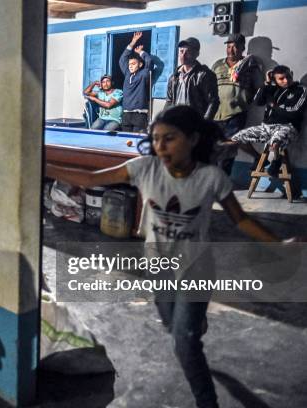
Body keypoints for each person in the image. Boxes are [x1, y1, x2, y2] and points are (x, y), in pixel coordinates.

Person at [47, 105, 295, 408]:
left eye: (170, 138)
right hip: (159, 267)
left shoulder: (211, 178)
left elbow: (241, 219)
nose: (160, 146)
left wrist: (278, 244)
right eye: (156, 139)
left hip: (196, 269)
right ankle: (191, 322)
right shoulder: (144, 168)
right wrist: (45, 166)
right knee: (169, 320)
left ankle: (207, 401)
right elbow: (89, 178)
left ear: (192, 139)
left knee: (185, 346)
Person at [227, 65, 307, 176]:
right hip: (266, 127)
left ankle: (276, 160)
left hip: (288, 127)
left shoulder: (301, 90)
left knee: (275, 142)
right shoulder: (273, 89)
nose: (286, 80)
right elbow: (258, 101)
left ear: (292, 74)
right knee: (236, 139)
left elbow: (294, 113)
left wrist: (273, 106)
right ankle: (259, 158)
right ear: (275, 79)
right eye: (281, 79)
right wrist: (267, 83)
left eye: (288, 77)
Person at [212, 34, 262, 174]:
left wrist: (248, 98)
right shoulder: (217, 64)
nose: (231, 50)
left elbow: (260, 87)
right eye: (228, 46)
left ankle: (224, 176)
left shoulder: (250, 65)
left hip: (236, 111)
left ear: (242, 48)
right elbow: (209, 84)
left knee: (231, 143)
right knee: (217, 144)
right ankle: (218, 176)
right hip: (216, 112)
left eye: (235, 46)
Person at [165, 37, 220, 121]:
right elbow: (169, 101)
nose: (183, 55)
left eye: (188, 52)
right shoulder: (174, 77)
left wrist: (204, 123)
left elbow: (213, 102)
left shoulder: (205, 75)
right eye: (181, 51)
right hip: (177, 122)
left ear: (196, 54)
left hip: (195, 123)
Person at [119, 31, 153, 133]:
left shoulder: (143, 74)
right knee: (125, 141)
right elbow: (122, 59)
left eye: (133, 64)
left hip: (139, 115)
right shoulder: (127, 74)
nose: (130, 66)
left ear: (140, 65)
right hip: (126, 114)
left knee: (137, 141)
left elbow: (149, 62)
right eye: (129, 64)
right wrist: (133, 42)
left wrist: (141, 53)